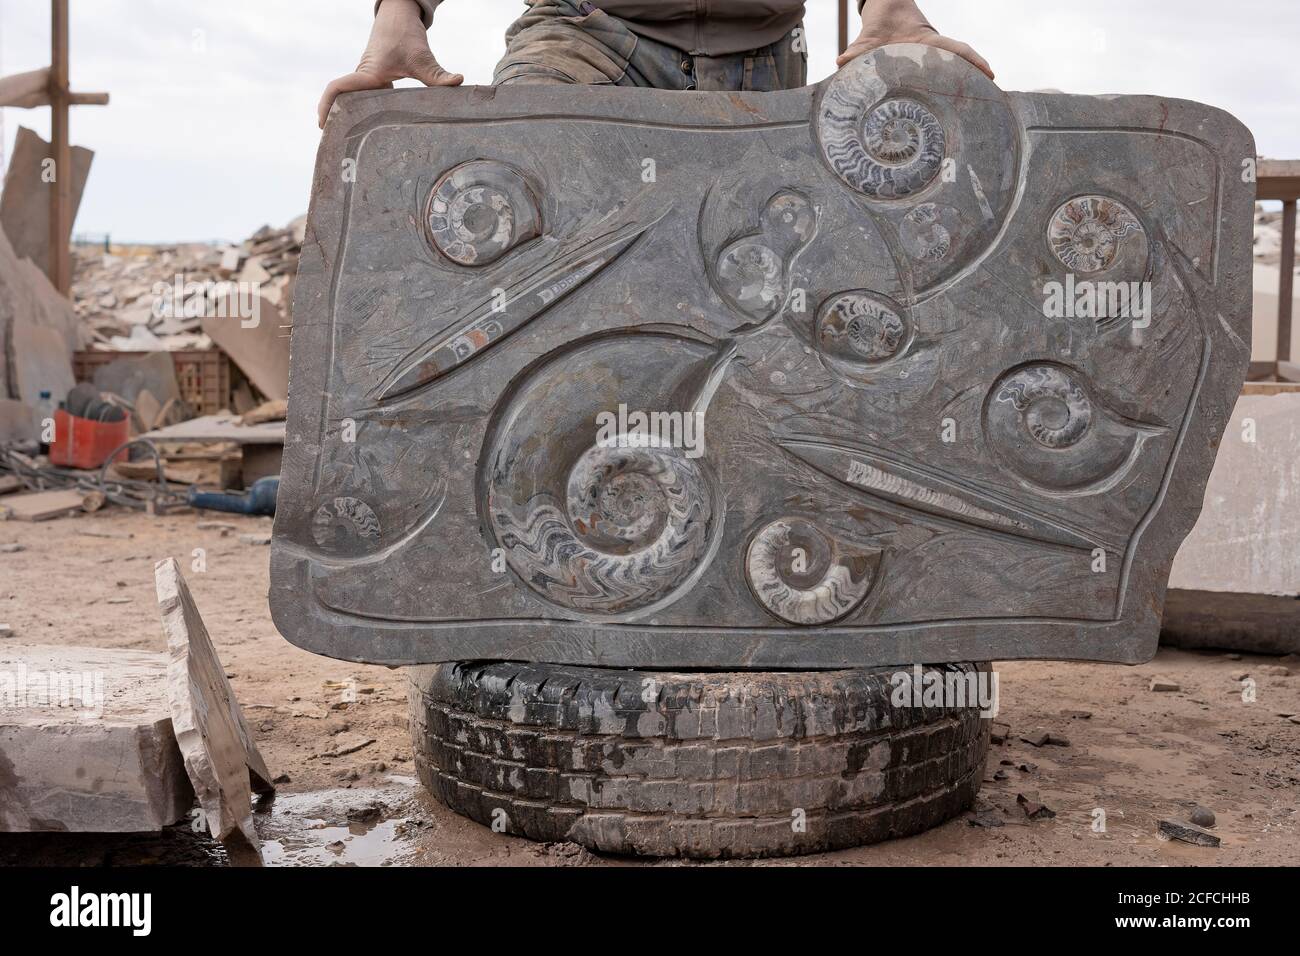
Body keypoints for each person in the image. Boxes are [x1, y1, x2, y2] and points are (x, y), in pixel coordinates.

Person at [319, 0, 992, 127]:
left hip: (763, 49)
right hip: (592, 32)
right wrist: (400, 9)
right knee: (527, 160)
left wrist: (892, 6)